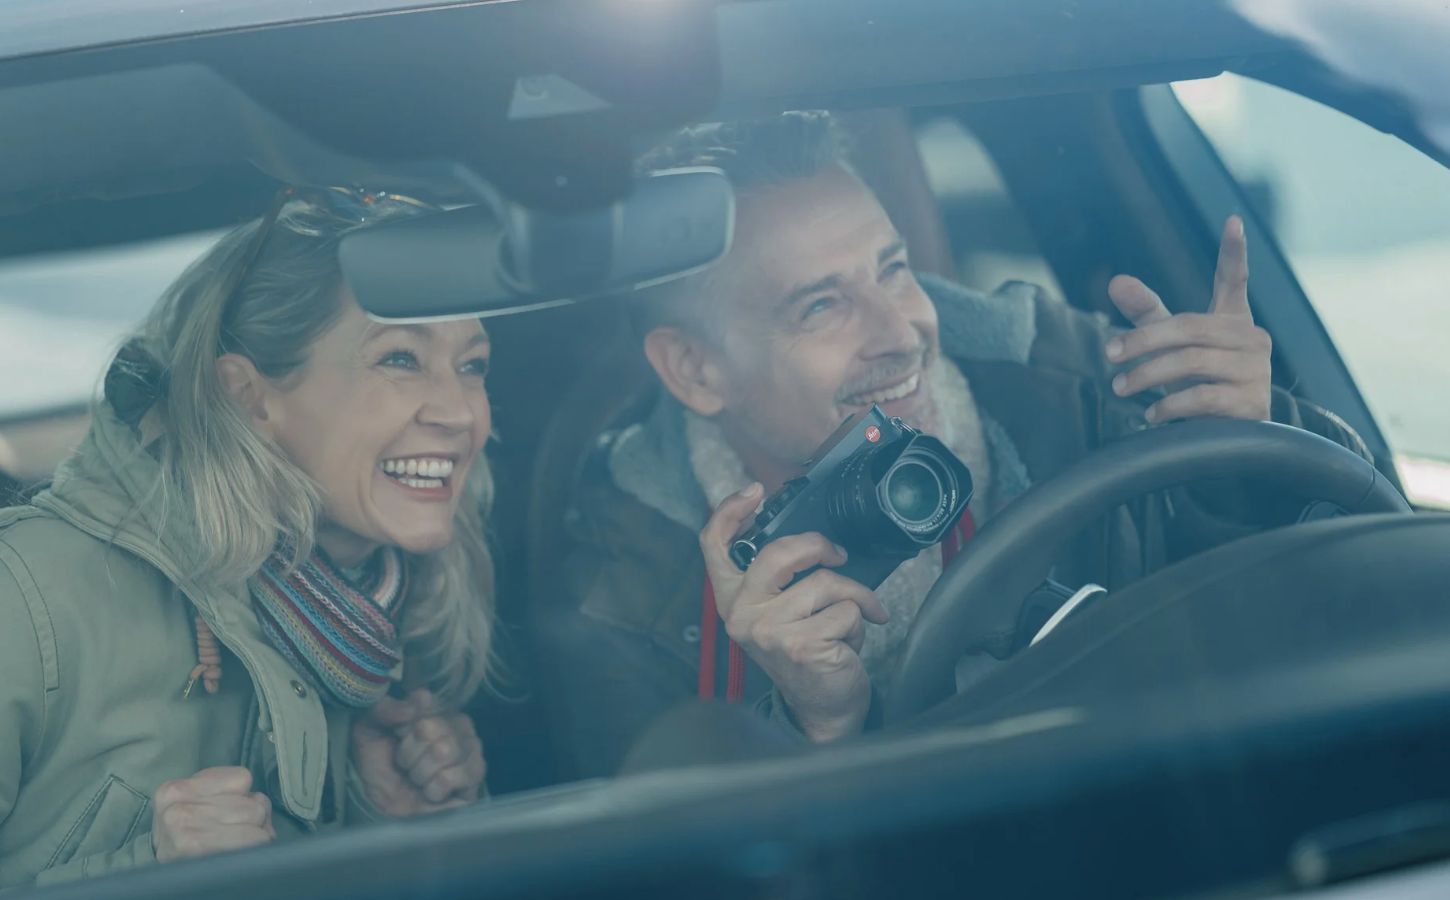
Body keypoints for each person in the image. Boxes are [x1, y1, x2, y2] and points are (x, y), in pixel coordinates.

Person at [532, 112, 1371, 778]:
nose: (904, 333)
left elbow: (1312, 614)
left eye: (893, 269)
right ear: (696, 370)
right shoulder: (617, 595)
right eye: (821, 306)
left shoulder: (1083, 383)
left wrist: (1257, 437)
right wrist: (818, 726)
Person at [0, 186, 493, 888]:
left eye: (472, 365)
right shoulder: (26, 594)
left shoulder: (383, 617)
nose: (459, 412)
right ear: (248, 398)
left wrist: (383, 819)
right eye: (400, 359)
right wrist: (151, 876)